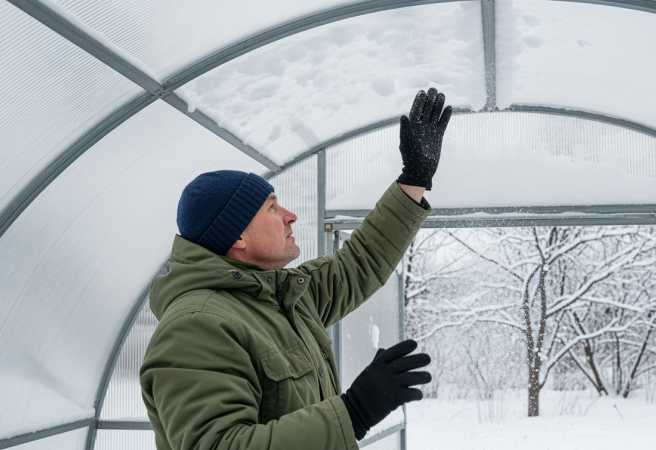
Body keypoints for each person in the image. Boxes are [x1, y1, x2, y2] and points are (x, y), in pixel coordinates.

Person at [140, 88, 453, 450]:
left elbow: (360, 261)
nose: (290, 216)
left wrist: (414, 177)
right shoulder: (196, 327)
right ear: (237, 235)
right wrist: (354, 413)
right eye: (272, 209)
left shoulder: (284, 298)